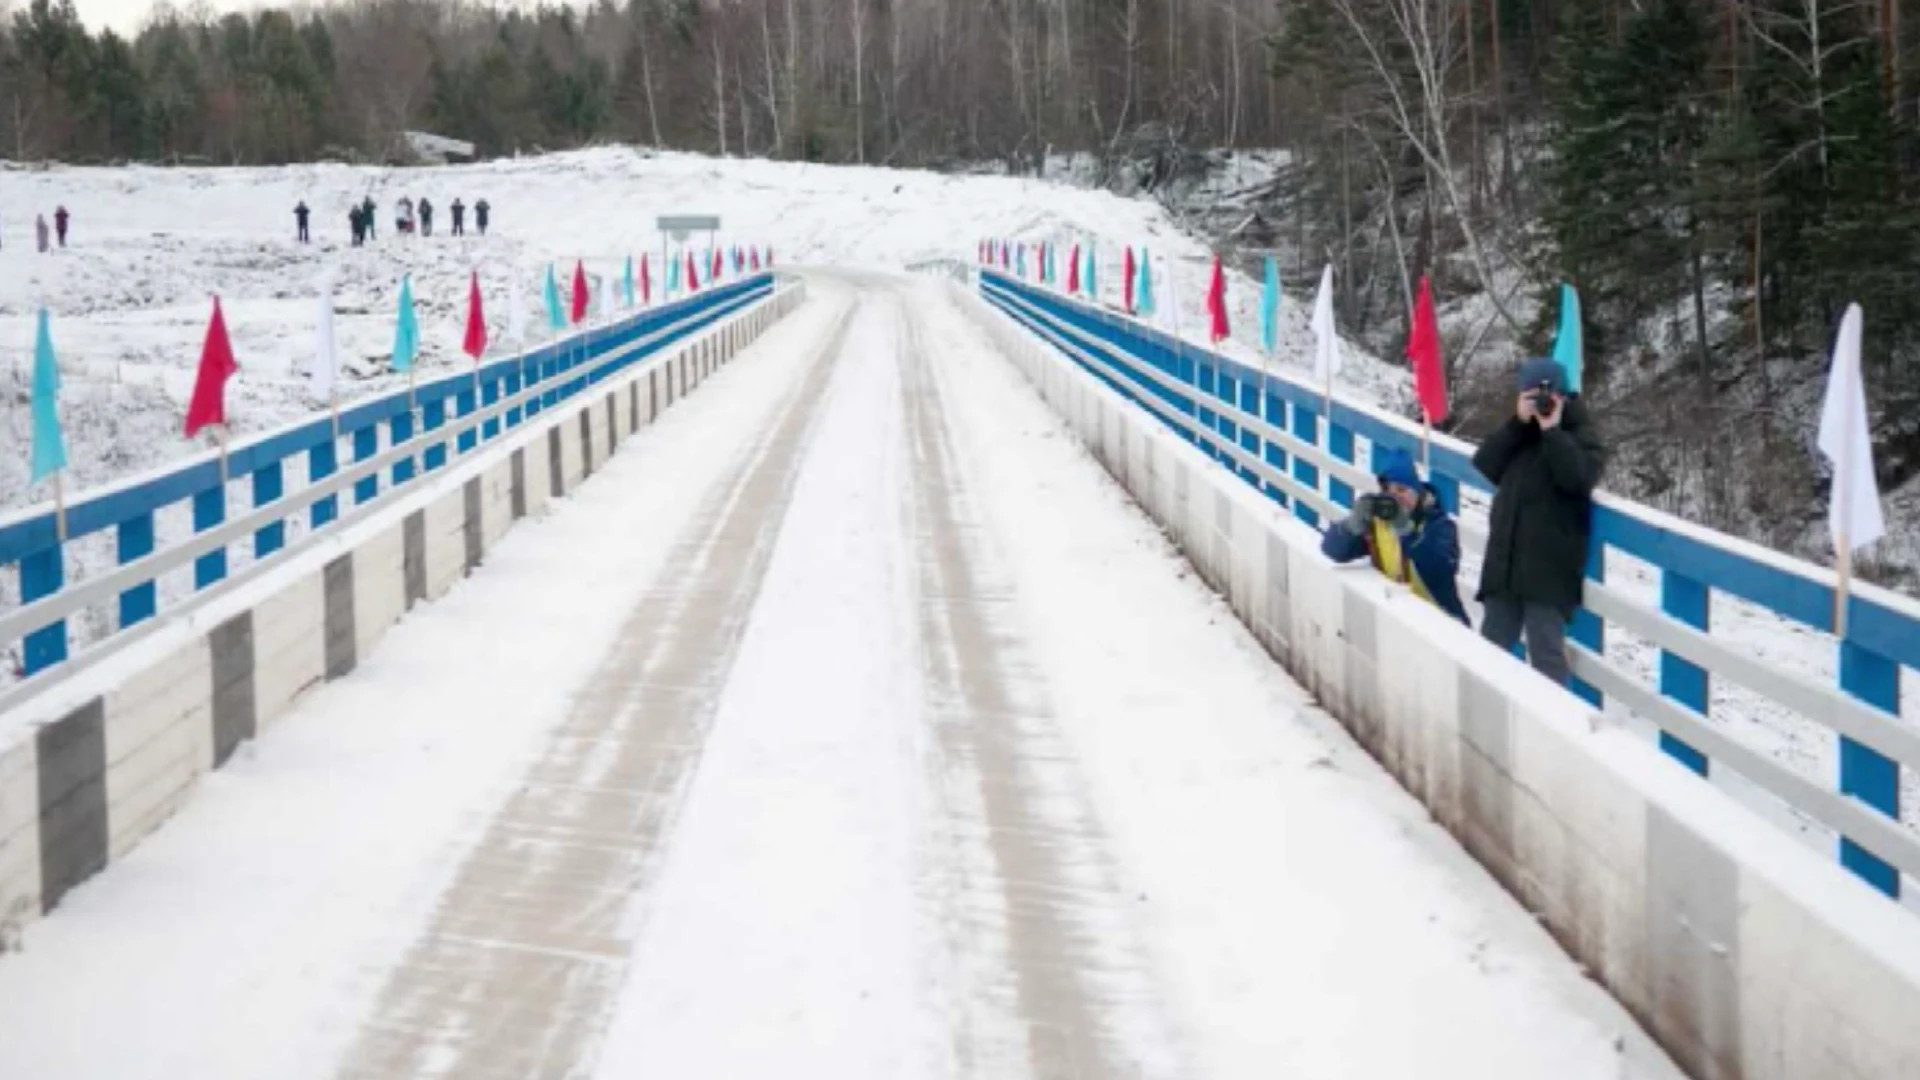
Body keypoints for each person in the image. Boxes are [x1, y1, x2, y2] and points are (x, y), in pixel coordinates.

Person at [1472, 357, 1607, 685]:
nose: (1543, 403)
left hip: (1549, 569)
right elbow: (1485, 464)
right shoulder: (1519, 433)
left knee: (1546, 655)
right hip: (1505, 562)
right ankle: (1487, 724)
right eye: (1533, 396)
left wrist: (1552, 431)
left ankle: (1557, 729)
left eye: (1549, 395)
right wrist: (1517, 423)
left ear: (1565, 395)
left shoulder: (1581, 432)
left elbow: (1576, 478)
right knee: (1491, 649)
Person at [1321, 448, 1469, 625]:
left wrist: (1405, 530)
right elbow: (1332, 550)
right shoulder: (1379, 524)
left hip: (1440, 620)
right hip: (1398, 615)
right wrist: (1352, 525)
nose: (1396, 498)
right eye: (1388, 491)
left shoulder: (1439, 526)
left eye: (1402, 490)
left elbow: (1439, 572)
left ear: (1418, 492)